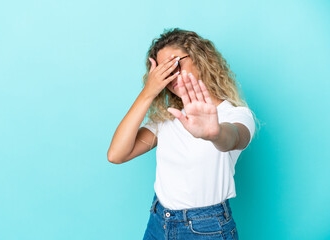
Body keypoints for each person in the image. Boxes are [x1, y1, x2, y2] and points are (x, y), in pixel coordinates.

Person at [107, 28, 257, 240]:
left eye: (175, 64)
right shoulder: (168, 118)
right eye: (163, 72)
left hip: (206, 228)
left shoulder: (236, 114)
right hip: (159, 221)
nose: (171, 76)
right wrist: (148, 92)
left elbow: (234, 137)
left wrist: (214, 134)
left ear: (200, 58)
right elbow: (116, 154)